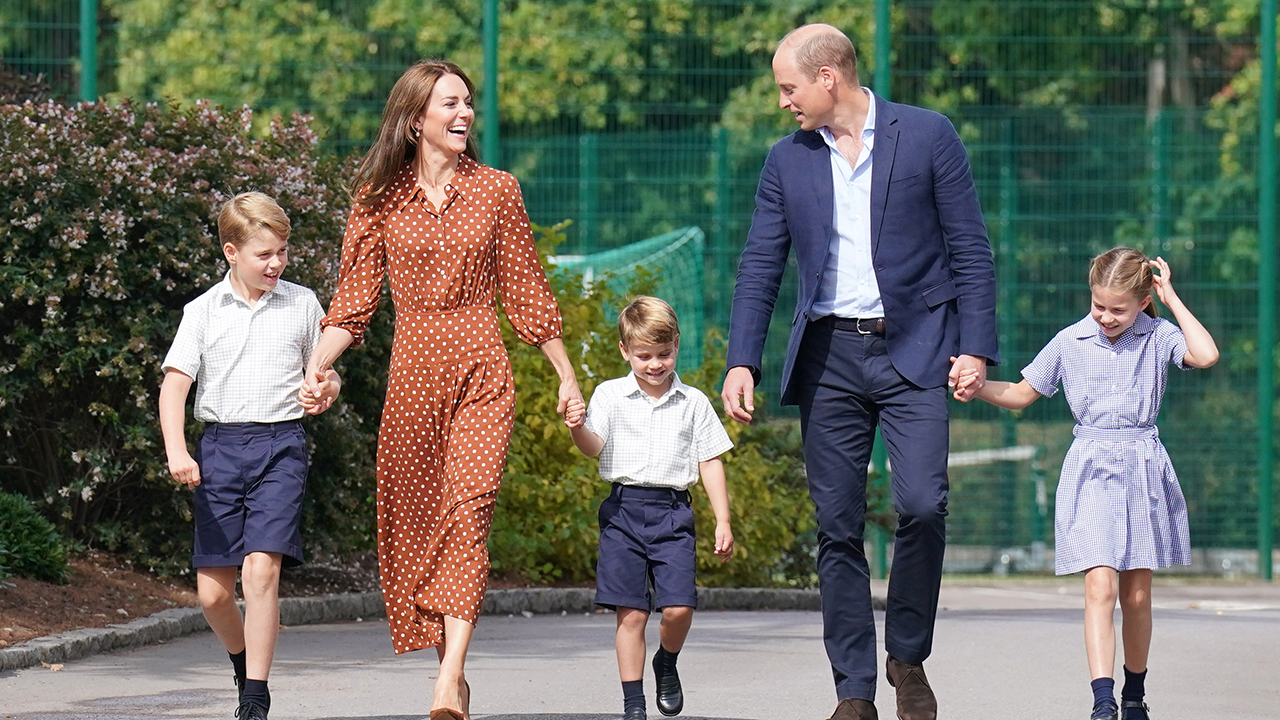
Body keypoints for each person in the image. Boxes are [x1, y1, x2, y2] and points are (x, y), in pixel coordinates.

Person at [720, 23, 1000, 720]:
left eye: (789, 87)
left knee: (922, 505)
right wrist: (742, 359)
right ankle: (853, 690)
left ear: (828, 78)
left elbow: (970, 248)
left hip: (917, 349)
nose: (783, 101)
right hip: (830, 359)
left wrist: (974, 348)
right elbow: (761, 262)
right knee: (837, 526)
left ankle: (907, 655)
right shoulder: (787, 161)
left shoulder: (928, 135)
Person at [300, 60, 582, 720]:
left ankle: (447, 679)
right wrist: (318, 364)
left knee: (468, 512)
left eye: (469, 104)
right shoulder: (378, 198)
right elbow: (354, 302)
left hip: (482, 368)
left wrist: (567, 373)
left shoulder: (497, 191)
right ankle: (450, 673)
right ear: (414, 117)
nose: (465, 115)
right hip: (413, 376)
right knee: (421, 527)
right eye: (450, 103)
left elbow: (526, 290)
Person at [954, 248, 1217, 720]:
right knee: (1101, 588)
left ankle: (1135, 696)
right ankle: (1103, 700)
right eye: (1099, 306)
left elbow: (1206, 354)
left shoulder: (1159, 336)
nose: (1106, 317)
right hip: (1091, 468)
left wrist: (1171, 297)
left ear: (1141, 301)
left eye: (1118, 309)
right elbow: (1019, 393)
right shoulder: (1070, 340)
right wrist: (978, 387)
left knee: (1137, 594)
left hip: (1142, 467)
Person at [158, 192, 341, 720]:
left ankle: (255, 699)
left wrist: (325, 389)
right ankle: (243, 664)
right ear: (231, 251)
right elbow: (174, 388)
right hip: (219, 449)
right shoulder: (202, 311)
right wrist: (177, 449)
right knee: (214, 596)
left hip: (281, 446)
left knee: (261, 571)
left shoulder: (303, 303)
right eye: (265, 254)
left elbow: (326, 374)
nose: (277, 263)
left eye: (282, 251)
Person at [563, 295, 734, 720]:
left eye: (664, 353)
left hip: (673, 512)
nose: (655, 364)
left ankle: (667, 662)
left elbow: (709, 460)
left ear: (676, 344)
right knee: (632, 612)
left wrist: (723, 520)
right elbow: (592, 447)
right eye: (644, 355)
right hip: (623, 513)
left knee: (678, 608)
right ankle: (633, 703)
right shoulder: (609, 395)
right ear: (625, 351)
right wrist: (576, 428)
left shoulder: (693, 402)